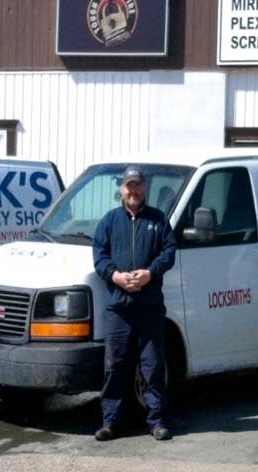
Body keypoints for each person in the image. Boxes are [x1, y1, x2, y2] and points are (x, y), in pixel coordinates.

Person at [92, 165, 177, 441]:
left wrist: (149, 273)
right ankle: (111, 423)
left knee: (153, 367)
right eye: (129, 185)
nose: (133, 190)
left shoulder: (158, 220)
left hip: (150, 307)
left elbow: (169, 251)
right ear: (121, 189)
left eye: (138, 185)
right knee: (115, 367)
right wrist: (115, 276)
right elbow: (99, 256)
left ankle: (157, 422)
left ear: (144, 188)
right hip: (119, 308)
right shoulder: (109, 221)